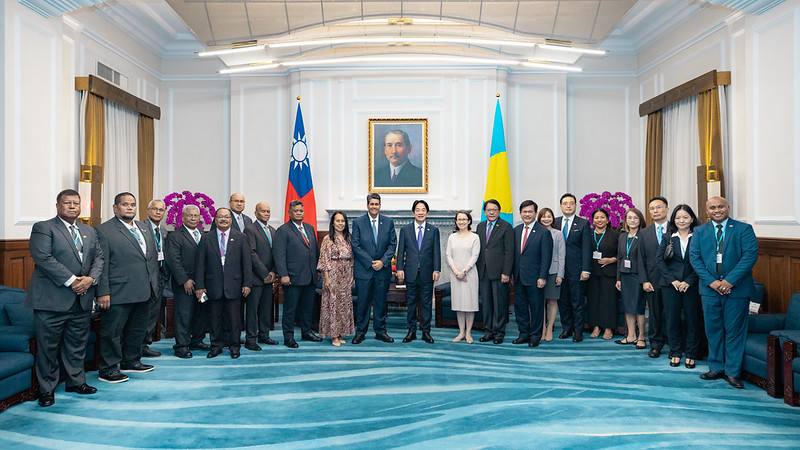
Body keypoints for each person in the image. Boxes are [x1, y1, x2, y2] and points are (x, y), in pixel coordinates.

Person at [27, 189, 103, 407]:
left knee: (76, 345)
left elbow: (99, 257)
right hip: (52, 300)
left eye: (76, 203)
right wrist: (73, 281)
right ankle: (46, 390)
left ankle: (76, 382)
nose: (72, 206)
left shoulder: (89, 230)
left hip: (82, 299)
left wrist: (90, 279)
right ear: (58, 205)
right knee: (48, 348)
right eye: (67, 203)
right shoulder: (44, 228)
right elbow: (43, 257)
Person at [689, 196, 758, 389]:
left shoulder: (743, 229)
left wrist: (729, 281)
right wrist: (711, 282)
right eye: (712, 207)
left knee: (734, 331)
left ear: (728, 207)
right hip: (709, 291)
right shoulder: (700, 231)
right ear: (706, 211)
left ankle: (733, 372)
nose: (717, 210)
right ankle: (716, 367)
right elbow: (695, 259)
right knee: (713, 330)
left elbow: (749, 256)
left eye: (720, 206)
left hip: (737, 290)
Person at [96, 192, 159, 383]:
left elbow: (151, 258)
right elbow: (102, 263)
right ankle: (108, 369)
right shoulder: (104, 230)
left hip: (145, 289)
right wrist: (103, 291)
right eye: (125, 204)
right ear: (115, 208)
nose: (130, 207)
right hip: (118, 291)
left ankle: (131, 360)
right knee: (112, 332)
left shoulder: (143, 227)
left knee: (137, 329)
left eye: (133, 204)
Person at [194, 208, 252, 359]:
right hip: (213, 286)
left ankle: (234, 347)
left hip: (235, 286)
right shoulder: (206, 238)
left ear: (231, 220)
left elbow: (246, 263)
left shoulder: (241, 237)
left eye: (227, 217)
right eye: (220, 217)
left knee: (234, 320)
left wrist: (247, 283)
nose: (224, 219)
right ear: (215, 219)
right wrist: (200, 286)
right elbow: (200, 264)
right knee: (214, 319)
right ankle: (216, 346)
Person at [274, 200, 322, 348]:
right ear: (290, 212)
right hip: (292, 277)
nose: (299, 213)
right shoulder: (283, 230)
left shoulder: (309, 227)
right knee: (290, 310)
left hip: (310, 277)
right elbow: (279, 254)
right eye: (296, 211)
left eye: (301, 210)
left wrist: (318, 270)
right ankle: (288, 337)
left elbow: (314, 251)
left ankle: (306, 332)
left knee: (308, 308)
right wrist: (283, 274)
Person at [658, 204, 702, 369]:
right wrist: (673, 281)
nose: (681, 220)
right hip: (671, 286)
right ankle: (675, 351)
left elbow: (702, 262)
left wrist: (688, 281)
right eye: (678, 217)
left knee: (693, 319)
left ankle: (691, 353)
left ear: (692, 218)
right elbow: (659, 261)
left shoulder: (698, 236)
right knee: (672, 319)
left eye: (685, 217)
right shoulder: (668, 237)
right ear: (673, 219)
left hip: (692, 285)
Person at [351, 193, 397, 344]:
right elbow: (355, 245)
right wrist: (371, 262)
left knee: (381, 303)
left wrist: (383, 262)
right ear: (367, 205)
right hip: (364, 270)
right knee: (362, 302)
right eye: (372, 204)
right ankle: (360, 332)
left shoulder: (388, 222)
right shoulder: (358, 222)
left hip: (382, 271)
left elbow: (392, 245)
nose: (374, 206)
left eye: (377, 204)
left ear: (380, 205)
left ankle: (380, 331)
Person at [396, 200, 441, 344]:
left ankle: (426, 332)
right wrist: (399, 269)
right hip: (410, 273)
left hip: (427, 273)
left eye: (423, 210)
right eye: (418, 210)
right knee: (411, 303)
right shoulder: (405, 230)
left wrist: (437, 269)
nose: (420, 212)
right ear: (413, 212)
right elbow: (400, 251)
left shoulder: (433, 230)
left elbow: (436, 252)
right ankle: (411, 331)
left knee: (426, 303)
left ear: (427, 213)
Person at [165, 204, 204, 358]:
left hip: (201, 285)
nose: (193, 218)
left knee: (200, 313)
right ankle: (181, 345)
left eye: (196, 215)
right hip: (185, 284)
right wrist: (184, 280)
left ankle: (197, 340)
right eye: (190, 215)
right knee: (184, 314)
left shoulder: (202, 234)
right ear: (183, 217)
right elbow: (173, 260)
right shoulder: (175, 236)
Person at [513, 201, 554, 348]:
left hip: (536, 278)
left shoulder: (544, 232)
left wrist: (542, 276)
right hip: (518, 277)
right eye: (524, 212)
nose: (527, 214)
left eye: (530, 212)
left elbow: (546, 257)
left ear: (535, 213)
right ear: (521, 213)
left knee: (536, 308)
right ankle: (523, 334)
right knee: (520, 307)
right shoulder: (516, 230)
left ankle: (535, 336)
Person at [554, 193, 592, 342]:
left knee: (577, 302)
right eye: (565, 203)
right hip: (559, 270)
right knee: (562, 301)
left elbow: (587, 248)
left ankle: (578, 331)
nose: (568, 205)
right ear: (561, 206)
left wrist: (586, 269)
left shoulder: (583, 223)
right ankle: (566, 328)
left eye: (571, 203)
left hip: (577, 270)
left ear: (575, 206)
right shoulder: (555, 222)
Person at [476, 199, 515, 345]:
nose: (491, 212)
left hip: (500, 273)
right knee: (486, 303)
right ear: (484, 212)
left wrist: (506, 272)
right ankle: (488, 331)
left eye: (494, 210)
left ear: (499, 212)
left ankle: (499, 332)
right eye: (488, 210)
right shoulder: (480, 226)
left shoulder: (506, 227)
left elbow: (509, 252)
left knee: (499, 303)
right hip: (483, 271)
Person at [317, 212, 356, 347]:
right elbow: (324, 260)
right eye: (337, 221)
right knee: (332, 304)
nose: (340, 223)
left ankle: (340, 333)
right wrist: (326, 278)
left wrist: (351, 276)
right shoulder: (328, 239)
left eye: (342, 221)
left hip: (346, 275)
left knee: (343, 305)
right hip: (332, 274)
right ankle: (333, 336)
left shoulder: (349, 238)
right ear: (332, 223)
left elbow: (352, 259)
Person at [243, 202, 278, 350]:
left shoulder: (273, 230)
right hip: (256, 278)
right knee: (252, 310)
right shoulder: (250, 229)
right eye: (263, 211)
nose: (266, 213)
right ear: (256, 213)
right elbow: (251, 253)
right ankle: (251, 339)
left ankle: (264, 335)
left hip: (269, 277)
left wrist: (273, 272)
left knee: (265, 309)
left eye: (268, 211)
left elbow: (278, 253)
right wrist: (264, 273)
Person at [639, 196, 670, 358]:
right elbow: (641, 259)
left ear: (666, 208)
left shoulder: (677, 228)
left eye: (659, 207)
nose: (655, 211)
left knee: (673, 313)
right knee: (655, 313)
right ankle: (656, 345)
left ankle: (675, 343)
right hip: (652, 280)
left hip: (673, 280)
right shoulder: (644, 233)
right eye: (652, 208)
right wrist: (644, 280)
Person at [444, 211, 480, 343]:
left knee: (469, 304)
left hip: (469, 274)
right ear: (456, 221)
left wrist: (464, 271)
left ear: (469, 221)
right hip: (455, 275)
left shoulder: (475, 237)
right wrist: (456, 271)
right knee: (459, 304)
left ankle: (469, 333)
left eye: (464, 219)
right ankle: (461, 332)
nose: (462, 222)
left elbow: (475, 256)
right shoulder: (452, 237)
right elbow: (448, 255)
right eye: (459, 219)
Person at [615, 208, 647, 349]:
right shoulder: (622, 236)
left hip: (638, 275)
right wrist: (618, 278)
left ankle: (641, 337)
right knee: (628, 306)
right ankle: (631, 335)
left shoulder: (644, 236)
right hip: (625, 275)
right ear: (625, 220)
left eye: (635, 218)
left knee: (638, 307)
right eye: (629, 218)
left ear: (640, 220)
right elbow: (620, 258)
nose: (632, 220)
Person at [586, 209, 619, 340]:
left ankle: (608, 328)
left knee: (608, 301)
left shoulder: (615, 234)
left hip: (609, 272)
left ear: (607, 219)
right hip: (592, 273)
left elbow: (622, 254)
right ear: (592, 220)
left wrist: (611, 260)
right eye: (596, 218)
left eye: (602, 217)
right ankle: (595, 326)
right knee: (593, 300)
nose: (599, 220)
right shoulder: (588, 234)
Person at [142, 199, 168, 358]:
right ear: (148, 210)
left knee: (153, 314)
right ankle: (137, 345)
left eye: (161, 210)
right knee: (143, 314)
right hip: (144, 279)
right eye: (155, 209)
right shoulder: (140, 228)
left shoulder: (163, 231)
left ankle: (145, 344)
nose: (158, 212)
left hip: (159, 278)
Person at [537, 208, 565, 342]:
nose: (546, 219)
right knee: (539, 302)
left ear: (553, 219)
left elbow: (561, 255)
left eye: (549, 216)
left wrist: (560, 274)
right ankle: (541, 328)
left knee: (552, 301)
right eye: (543, 216)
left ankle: (549, 328)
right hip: (538, 272)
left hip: (553, 271)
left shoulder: (558, 234)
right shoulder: (536, 232)